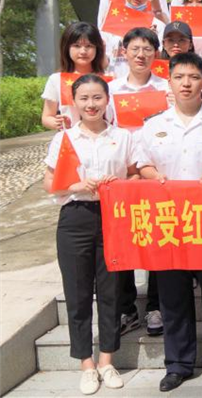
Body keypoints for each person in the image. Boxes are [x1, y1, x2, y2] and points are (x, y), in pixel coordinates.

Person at [136, 52, 202, 391]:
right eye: (179, 77)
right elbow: (142, 163)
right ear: (169, 82)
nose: (186, 83)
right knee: (173, 297)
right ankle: (178, 364)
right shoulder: (154, 125)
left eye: (193, 77)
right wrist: (154, 176)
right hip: (169, 223)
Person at [43, 74, 136, 394]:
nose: (91, 104)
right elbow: (49, 183)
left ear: (107, 99)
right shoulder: (64, 139)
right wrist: (77, 185)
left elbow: (136, 176)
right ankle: (86, 364)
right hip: (75, 219)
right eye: (84, 98)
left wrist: (119, 184)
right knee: (78, 293)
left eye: (97, 97)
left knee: (111, 292)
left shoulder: (122, 137)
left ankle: (107, 361)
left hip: (114, 219)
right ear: (74, 102)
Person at [106, 27, 168, 336]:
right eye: (135, 49)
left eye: (147, 49)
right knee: (123, 240)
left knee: (157, 237)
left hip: (155, 172)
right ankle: (127, 308)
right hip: (122, 176)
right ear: (124, 52)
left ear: (156, 54)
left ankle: (156, 305)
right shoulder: (111, 90)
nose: (141, 55)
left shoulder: (166, 88)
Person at [42, 22, 106, 131]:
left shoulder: (108, 78)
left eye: (89, 46)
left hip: (105, 137)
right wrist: (60, 123)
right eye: (77, 46)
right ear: (67, 48)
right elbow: (47, 117)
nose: (83, 51)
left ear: (97, 48)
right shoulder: (56, 79)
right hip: (72, 138)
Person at [101, 0, 165, 78]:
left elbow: (160, 60)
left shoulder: (157, 25)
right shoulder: (110, 21)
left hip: (146, 81)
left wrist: (152, 42)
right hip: (115, 79)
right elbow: (103, 57)